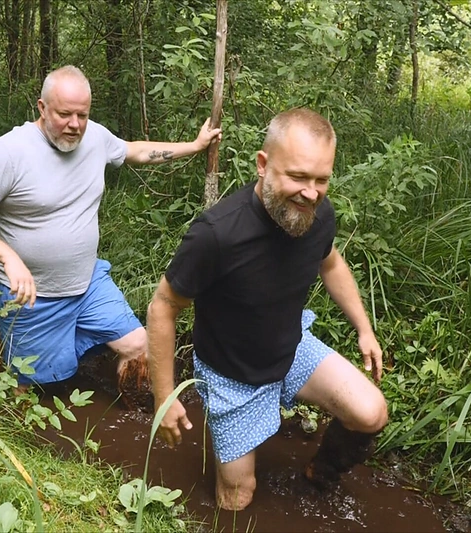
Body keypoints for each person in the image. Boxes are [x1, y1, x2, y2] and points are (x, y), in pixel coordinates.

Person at [146, 108, 388, 511]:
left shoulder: (318, 215)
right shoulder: (217, 234)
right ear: (263, 165)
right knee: (237, 499)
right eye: (297, 176)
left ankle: (320, 473)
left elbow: (330, 262)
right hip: (231, 376)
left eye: (321, 179)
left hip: (289, 349)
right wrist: (164, 399)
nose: (311, 192)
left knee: (371, 412)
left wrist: (364, 328)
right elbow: (163, 308)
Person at [0, 65, 221, 401]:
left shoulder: (95, 137)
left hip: (87, 283)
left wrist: (194, 146)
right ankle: (21, 438)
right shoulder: (8, 152)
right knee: (28, 388)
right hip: (32, 297)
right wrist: (8, 257)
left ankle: (129, 424)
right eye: (64, 114)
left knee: (140, 345)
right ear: (42, 107)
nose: (75, 125)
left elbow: (135, 150)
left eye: (82, 114)